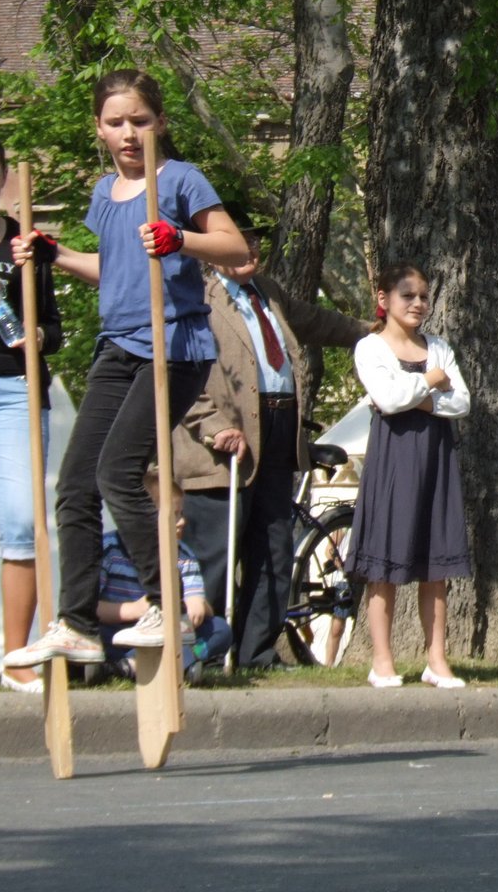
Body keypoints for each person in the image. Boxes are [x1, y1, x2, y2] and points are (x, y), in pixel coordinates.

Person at [5, 69, 247, 672]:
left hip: (174, 346)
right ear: (100, 129)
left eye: (140, 121)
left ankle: (167, 606)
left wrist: (179, 239)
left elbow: (236, 247)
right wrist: (56, 255)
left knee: (118, 473)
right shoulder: (103, 191)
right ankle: (78, 624)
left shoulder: (180, 180)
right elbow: (114, 269)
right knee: (75, 484)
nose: (129, 134)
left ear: (160, 122)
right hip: (117, 347)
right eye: (116, 123)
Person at [172, 221, 368, 670]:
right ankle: (200, 651)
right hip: (222, 444)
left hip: (278, 430)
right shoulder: (195, 297)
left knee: (273, 548)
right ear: (213, 250)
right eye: (239, 244)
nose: (250, 252)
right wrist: (213, 427)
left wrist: (371, 331)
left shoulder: (268, 293)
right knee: (216, 551)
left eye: (255, 244)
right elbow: (177, 374)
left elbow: (316, 320)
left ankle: (257, 652)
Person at [0, 129, 63, 692]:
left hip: (16, 388)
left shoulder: (25, 245)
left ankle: (19, 658)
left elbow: (53, 327)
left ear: (4, 179)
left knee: (24, 522)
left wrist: (36, 337)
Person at [348, 263, 471, 689]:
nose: (418, 303)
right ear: (383, 299)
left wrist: (417, 396)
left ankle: (436, 660)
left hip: (436, 456)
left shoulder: (438, 347)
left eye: (423, 296)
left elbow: (462, 403)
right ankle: (382, 661)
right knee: (383, 561)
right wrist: (431, 382)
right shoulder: (371, 348)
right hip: (394, 458)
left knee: (436, 563)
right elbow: (386, 397)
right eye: (408, 295)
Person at [97, 477, 231, 683]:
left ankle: (130, 666)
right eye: (174, 514)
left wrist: (198, 605)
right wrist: (135, 610)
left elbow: (198, 603)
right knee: (94, 632)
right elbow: (93, 608)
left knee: (220, 629)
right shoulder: (109, 550)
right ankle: (180, 664)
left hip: (168, 635)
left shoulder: (182, 555)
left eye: (181, 513)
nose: (182, 521)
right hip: (120, 631)